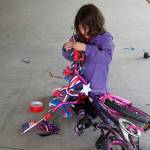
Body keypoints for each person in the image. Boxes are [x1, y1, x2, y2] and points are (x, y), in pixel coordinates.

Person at [62, 3, 115, 133]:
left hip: (96, 86)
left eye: (86, 29)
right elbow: (70, 56)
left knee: (95, 106)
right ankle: (82, 114)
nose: (83, 33)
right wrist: (66, 48)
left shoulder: (105, 39)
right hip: (80, 82)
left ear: (96, 25)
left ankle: (85, 114)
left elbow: (106, 58)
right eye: (79, 28)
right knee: (70, 98)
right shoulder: (77, 37)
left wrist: (86, 48)